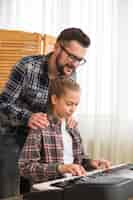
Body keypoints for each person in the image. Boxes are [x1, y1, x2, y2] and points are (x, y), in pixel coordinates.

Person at [0, 28, 91, 198]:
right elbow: (3, 103)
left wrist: (68, 117)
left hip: (43, 138)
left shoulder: (71, 73)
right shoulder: (27, 66)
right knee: (9, 192)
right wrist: (28, 117)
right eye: (71, 56)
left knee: (46, 189)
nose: (74, 64)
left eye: (80, 60)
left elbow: (61, 105)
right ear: (57, 47)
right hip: (13, 135)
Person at [19, 77, 110, 186]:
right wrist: (60, 168)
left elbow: (79, 160)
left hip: (74, 185)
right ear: (54, 99)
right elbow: (25, 168)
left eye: (76, 104)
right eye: (69, 104)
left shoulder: (72, 127)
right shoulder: (41, 126)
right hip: (49, 190)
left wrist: (92, 163)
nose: (73, 109)